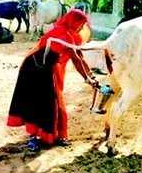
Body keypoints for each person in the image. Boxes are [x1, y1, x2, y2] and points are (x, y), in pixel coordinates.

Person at [7, 9, 98, 151]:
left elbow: (79, 57)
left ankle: (48, 136)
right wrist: (87, 79)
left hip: (36, 65)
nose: (81, 27)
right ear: (73, 22)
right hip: (38, 70)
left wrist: (91, 76)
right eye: (80, 24)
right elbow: (76, 59)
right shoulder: (66, 35)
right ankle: (36, 138)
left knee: (43, 101)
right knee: (44, 102)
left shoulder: (66, 33)